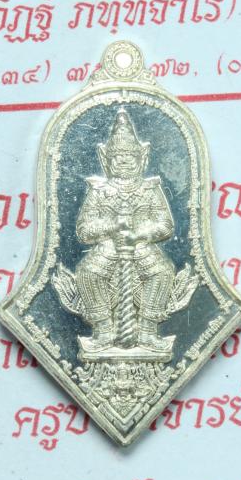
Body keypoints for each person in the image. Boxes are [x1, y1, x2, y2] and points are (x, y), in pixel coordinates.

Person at [75, 108, 175, 352]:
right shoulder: (99, 191)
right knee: (88, 273)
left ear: (141, 158)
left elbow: (165, 225)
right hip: (109, 247)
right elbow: (84, 229)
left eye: (129, 156)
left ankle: (147, 332)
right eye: (117, 156)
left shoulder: (150, 189)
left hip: (140, 246)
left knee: (162, 272)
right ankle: (104, 331)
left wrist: (139, 233)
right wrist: (111, 228)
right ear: (107, 160)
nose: (123, 161)